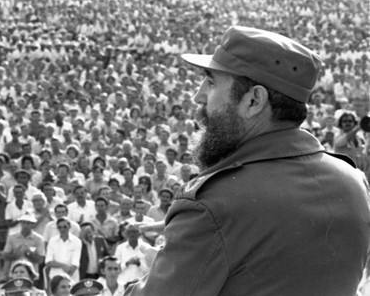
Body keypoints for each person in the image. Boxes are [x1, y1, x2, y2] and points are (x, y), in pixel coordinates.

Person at [125, 26, 370, 295]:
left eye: (211, 81)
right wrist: (194, 233)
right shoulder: (353, 183)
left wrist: (161, 266)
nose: (199, 95)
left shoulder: (213, 206)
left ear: (254, 100)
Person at [0, 215, 45, 284]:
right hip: (15, 274)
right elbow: (5, 256)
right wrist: (16, 256)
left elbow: (41, 259)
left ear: (32, 224)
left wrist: (29, 254)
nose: (25, 225)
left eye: (28, 223)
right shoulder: (12, 237)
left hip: (32, 274)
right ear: (20, 223)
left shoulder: (39, 239)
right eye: (24, 223)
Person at [45, 218, 82, 282]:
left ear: (69, 227)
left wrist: (67, 276)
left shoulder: (77, 241)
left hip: (72, 277)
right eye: (60, 227)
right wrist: (63, 265)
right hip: (55, 277)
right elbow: (48, 262)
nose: (62, 229)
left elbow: (75, 262)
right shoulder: (52, 241)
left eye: (65, 227)